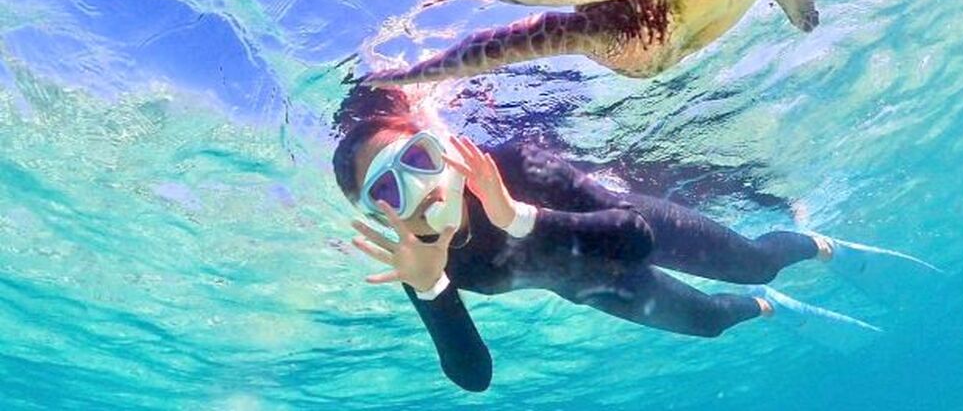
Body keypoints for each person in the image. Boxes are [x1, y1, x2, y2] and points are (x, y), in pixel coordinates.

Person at [332, 85, 927, 392]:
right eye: (386, 189)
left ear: (440, 148)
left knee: (755, 264)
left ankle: (822, 247)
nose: (417, 189)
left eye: (417, 158)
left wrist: (515, 214)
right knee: (708, 322)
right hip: (586, 285)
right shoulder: (419, 266)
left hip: (624, 230)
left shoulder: (513, 164)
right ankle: (773, 308)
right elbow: (474, 376)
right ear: (378, 214)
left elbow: (634, 238)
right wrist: (432, 289)